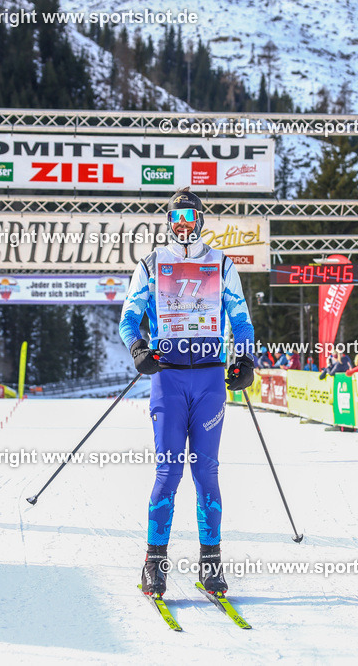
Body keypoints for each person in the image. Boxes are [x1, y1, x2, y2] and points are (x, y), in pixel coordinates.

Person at [119, 187, 255, 599]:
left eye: (189, 218)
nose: (183, 225)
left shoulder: (222, 263)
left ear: (200, 221)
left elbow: (241, 320)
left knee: (206, 472)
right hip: (169, 379)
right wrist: (139, 348)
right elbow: (128, 318)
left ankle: (211, 564)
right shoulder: (151, 263)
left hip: (210, 378)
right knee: (169, 472)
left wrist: (245, 359)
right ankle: (154, 564)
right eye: (176, 218)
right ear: (168, 222)